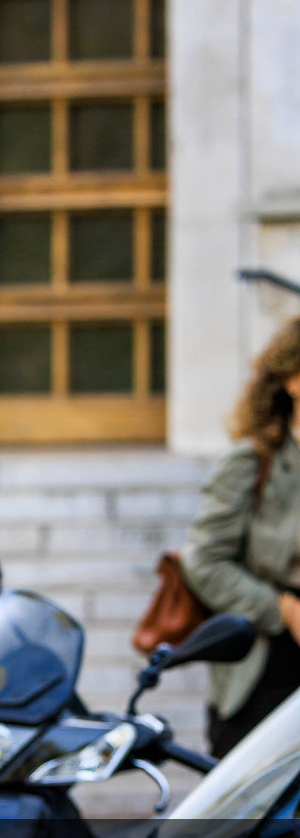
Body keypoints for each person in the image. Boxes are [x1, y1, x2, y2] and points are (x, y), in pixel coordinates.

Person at [183, 317, 300, 756]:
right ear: (291, 379)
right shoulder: (253, 461)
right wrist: (283, 609)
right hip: (267, 665)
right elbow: (203, 562)